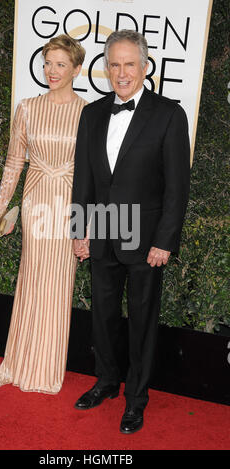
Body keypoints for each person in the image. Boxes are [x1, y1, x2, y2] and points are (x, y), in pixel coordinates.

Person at [71, 30, 190, 433]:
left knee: (142, 321)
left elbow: (177, 186)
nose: (121, 73)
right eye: (114, 64)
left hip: (146, 239)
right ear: (106, 69)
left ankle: (136, 398)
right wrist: (79, 230)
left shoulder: (169, 114)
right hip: (103, 230)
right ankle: (106, 381)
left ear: (145, 67)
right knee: (102, 317)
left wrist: (164, 240)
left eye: (129, 64)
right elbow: (83, 179)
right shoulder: (92, 113)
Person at [0, 34, 87, 394]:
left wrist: (88, 219)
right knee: (32, 279)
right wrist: (3, 206)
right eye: (48, 63)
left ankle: (46, 367)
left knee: (60, 282)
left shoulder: (88, 111)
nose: (52, 71)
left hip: (67, 205)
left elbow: (94, 172)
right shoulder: (27, 107)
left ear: (76, 69)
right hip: (35, 202)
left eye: (60, 64)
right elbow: (15, 161)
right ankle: (21, 359)